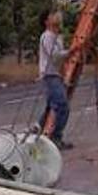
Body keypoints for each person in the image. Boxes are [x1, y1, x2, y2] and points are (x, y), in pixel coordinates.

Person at [37, 10, 72, 149]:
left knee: (53, 105)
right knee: (62, 105)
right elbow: (56, 56)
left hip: (56, 75)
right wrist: (71, 51)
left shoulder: (57, 37)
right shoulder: (47, 37)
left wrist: (64, 76)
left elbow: (60, 61)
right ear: (46, 22)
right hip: (50, 75)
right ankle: (56, 137)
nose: (56, 17)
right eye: (52, 16)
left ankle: (38, 130)